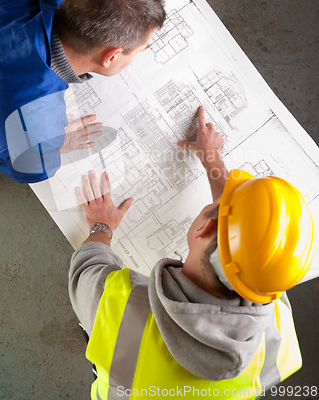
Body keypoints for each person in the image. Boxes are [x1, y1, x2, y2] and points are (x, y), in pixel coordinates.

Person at [68, 106, 315, 399]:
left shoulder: (119, 309)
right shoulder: (277, 323)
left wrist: (102, 225)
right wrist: (211, 158)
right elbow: (247, 238)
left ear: (204, 228)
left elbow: (85, 268)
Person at [0, 0, 165, 198]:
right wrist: (57, 143)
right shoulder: (34, 129)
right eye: (142, 49)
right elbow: (30, 170)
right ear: (111, 57)